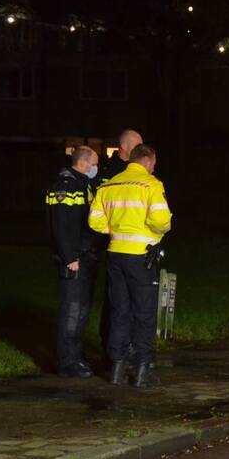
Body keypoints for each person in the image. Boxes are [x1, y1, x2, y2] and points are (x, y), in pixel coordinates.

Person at [88, 144, 172, 387]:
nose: (154, 168)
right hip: (140, 257)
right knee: (144, 314)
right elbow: (161, 221)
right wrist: (154, 233)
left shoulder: (109, 185)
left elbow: (94, 221)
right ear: (146, 161)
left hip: (115, 255)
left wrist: (115, 231)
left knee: (119, 311)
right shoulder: (151, 185)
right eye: (153, 163)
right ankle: (142, 371)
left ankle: (117, 369)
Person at [47, 146, 102, 378]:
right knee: (72, 309)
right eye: (96, 163)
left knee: (81, 309)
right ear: (85, 163)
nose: (97, 168)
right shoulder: (66, 186)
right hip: (74, 259)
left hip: (85, 255)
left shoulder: (82, 184)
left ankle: (76, 356)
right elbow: (62, 225)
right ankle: (67, 362)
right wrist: (70, 257)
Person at [95, 129, 144, 350]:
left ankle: (126, 347)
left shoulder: (138, 173)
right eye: (137, 146)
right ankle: (111, 347)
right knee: (114, 299)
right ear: (125, 147)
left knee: (131, 300)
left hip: (134, 247)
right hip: (111, 244)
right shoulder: (107, 172)